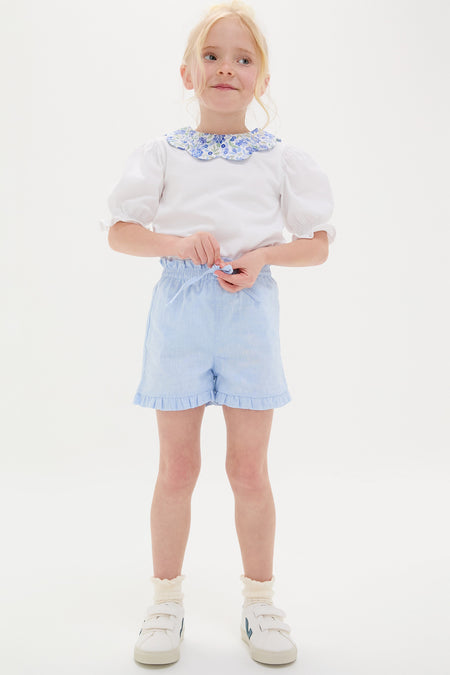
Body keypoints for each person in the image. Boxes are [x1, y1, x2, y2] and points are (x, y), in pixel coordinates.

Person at [101, 0, 335, 666]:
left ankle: (260, 602)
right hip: (180, 313)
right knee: (177, 468)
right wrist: (177, 244)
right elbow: (120, 232)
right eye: (211, 56)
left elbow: (318, 244)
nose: (226, 68)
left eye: (242, 59)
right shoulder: (163, 154)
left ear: (262, 78)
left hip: (248, 317)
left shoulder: (279, 160)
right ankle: (165, 602)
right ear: (187, 73)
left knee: (248, 469)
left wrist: (262, 257)